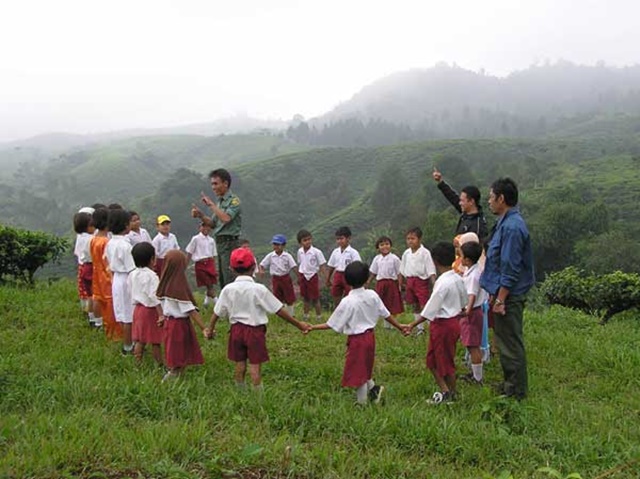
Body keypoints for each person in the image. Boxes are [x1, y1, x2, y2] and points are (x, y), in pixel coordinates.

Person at [206, 248, 309, 390]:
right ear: (254, 267)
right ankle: (257, 396)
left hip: (235, 331)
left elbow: (217, 312)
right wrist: (299, 324)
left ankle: (239, 391)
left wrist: (210, 329)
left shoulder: (228, 289)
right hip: (255, 332)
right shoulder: (259, 289)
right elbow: (278, 310)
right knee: (255, 366)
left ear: (231, 269)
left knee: (240, 364)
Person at [309, 261, 406, 405]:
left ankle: (362, 403)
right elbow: (386, 314)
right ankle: (374, 390)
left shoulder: (348, 301)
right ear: (367, 278)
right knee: (364, 366)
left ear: (347, 281)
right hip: (370, 337)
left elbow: (332, 324)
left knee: (358, 372)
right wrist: (400, 326)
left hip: (357, 340)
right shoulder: (372, 294)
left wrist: (312, 327)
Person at [480, 177, 534, 400]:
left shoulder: (512, 227)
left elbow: (510, 268)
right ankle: (509, 383)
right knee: (505, 339)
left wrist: (501, 299)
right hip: (502, 292)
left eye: (492, 197)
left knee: (511, 342)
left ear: (502, 199)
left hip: (509, 295)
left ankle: (516, 392)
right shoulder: (505, 221)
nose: (489, 202)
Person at [404, 242, 468, 404]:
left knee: (444, 361)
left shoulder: (442, 283)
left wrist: (412, 325)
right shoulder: (457, 278)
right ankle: (445, 391)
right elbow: (463, 302)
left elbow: (429, 310)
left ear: (435, 261)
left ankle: (452, 395)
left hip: (443, 325)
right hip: (453, 322)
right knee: (433, 359)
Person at [156, 250, 208, 382]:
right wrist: (204, 328)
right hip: (178, 326)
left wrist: (162, 317)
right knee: (178, 354)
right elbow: (190, 310)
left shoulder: (165, 283)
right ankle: (170, 379)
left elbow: (162, 304)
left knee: (178, 353)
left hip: (170, 323)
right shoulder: (177, 287)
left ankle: (179, 378)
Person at [191, 168, 242, 288]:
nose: (213, 187)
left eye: (216, 183)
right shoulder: (219, 202)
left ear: (225, 183)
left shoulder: (234, 201)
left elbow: (226, 218)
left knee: (230, 279)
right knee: (223, 280)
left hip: (230, 243)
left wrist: (211, 205)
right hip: (220, 243)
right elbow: (213, 224)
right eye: (212, 184)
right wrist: (201, 215)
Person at [105, 208, 136, 355]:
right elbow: (131, 268)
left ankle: (128, 342)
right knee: (128, 314)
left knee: (122, 312)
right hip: (126, 279)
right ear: (125, 225)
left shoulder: (111, 242)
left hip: (117, 277)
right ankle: (129, 345)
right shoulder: (125, 246)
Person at [129, 242, 165, 365]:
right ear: (152, 259)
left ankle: (137, 362)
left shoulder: (132, 274)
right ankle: (159, 363)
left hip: (138, 309)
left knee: (140, 339)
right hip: (150, 311)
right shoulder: (152, 276)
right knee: (155, 340)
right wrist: (161, 314)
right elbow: (155, 296)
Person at [459, 241, 488, 384]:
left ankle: (478, 378)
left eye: (462, 256)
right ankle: (474, 373)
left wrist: (467, 311)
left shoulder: (473, 275)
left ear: (468, 260)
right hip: (473, 311)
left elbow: (472, 294)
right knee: (471, 344)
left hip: (472, 312)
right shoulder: (472, 270)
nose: (460, 257)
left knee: (473, 345)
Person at [432, 167, 488, 240]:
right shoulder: (465, 213)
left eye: (462, 201)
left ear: (471, 201)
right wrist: (440, 181)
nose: (460, 203)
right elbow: (452, 197)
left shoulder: (478, 225)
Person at [398, 227, 436, 335]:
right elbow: (402, 269)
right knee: (415, 305)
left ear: (419, 239)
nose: (410, 241)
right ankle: (420, 328)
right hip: (410, 281)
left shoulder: (425, 253)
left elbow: (430, 269)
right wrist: (400, 283)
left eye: (413, 238)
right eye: (408, 238)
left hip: (421, 281)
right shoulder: (406, 253)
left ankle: (430, 325)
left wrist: (434, 284)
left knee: (424, 304)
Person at [90, 207, 120, 339]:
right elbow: (109, 263)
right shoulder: (106, 242)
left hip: (97, 275)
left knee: (98, 299)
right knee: (110, 305)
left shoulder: (94, 239)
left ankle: (101, 324)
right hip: (106, 277)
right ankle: (114, 333)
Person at [367, 236, 403, 329]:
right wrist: (368, 282)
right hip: (381, 284)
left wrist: (400, 284)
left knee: (392, 304)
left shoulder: (394, 258)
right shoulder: (377, 259)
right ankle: (386, 325)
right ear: (378, 247)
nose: (384, 247)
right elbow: (373, 272)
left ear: (390, 245)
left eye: (387, 244)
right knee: (382, 304)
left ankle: (392, 325)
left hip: (392, 283)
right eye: (382, 245)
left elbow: (399, 273)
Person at [259, 234, 297, 315]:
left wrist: (299, 277)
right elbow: (262, 264)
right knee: (277, 296)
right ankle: (281, 314)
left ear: (283, 246)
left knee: (289, 296)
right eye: (274, 244)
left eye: (277, 244)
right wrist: (261, 270)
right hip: (275, 278)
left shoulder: (287, 256)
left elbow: (294, 266)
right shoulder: (271, 256)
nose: (275, 246)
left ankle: (291, 314)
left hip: (285, 278)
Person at [185, 221, 219, 307]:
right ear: (200, 227)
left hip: (210, 263)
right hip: (200, 263)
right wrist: (185, 266)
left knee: (210, 283)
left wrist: (214, 267)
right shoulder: (195, 239)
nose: (206, 228)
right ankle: (218, 303)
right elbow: (190, 252)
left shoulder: (211, 240)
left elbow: (213, 255)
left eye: (208, 227)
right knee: (209, 285)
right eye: (204, 226)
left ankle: (206, 303)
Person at [326, 226, 361, 307]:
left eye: (341, 238)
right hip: (338, 274)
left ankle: (349, 311)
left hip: (349, 275)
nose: (339, 241)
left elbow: (358, 267)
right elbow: (331, 266)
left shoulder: (353, 252)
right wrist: (328, 279)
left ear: (348, 238)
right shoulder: (335, 251)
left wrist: (357, 280)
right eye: (337, 239)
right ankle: (338, 311)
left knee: (350, 294)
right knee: (336, 293)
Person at [296, 229, 327, 322]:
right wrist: (299, 276)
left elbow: (322, 265)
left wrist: (325, 278)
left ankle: (319, 316)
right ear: (300, 242)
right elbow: (300, 263)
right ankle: (306, 315)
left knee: (315, 298)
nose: (308, 242)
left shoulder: (316, 252)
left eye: (309, 239)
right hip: (303, 275)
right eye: (305, 240)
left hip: (312, 276)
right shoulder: (300, 251)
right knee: (305, 297)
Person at [73, 211, 97, 326]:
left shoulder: (80, 238)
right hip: (92, 266)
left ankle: (91, 317)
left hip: (83, 266)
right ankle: (98, 319)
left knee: (88, 294)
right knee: (95, 294)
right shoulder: (92, 239)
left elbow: (77, 252)